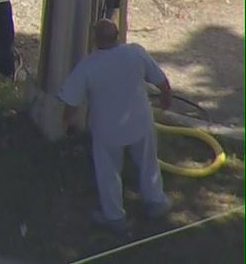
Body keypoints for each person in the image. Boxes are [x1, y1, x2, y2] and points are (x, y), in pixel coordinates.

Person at [58, 19, 172, 235]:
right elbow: (161, 81)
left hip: (107, 129)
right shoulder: (135, 53)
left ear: (95, 39)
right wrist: (166, 99)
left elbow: (71, 103)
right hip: (140, 122)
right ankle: (156, 201)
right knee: (148, 163)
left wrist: (66, 124)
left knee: (108, 172)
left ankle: (114, 216)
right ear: (118, 34)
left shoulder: (88, 66)